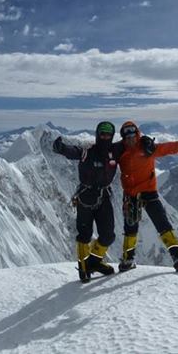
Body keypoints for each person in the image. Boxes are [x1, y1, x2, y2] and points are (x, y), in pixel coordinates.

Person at [116, 121, 178, 272]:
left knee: (162, 223)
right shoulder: (119, 150)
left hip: (147, 191)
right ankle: (128, 259)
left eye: (132, 135)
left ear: (137, 134)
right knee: (131, 227)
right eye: (127, 136)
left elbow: (169, 148)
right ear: (123, 138)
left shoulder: (147, 148)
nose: (130, 138)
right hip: (131, 193)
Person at [52, 121, 124, 283]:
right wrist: (61, 148)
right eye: (102, 134)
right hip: (86, 196)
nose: (105, 137)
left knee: (108, 235)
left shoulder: (115, 150)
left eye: (108, 134)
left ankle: (93, 262)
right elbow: (74, 152)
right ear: (97, 134)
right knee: (84, 234)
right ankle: (84, 267)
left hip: (104, 196)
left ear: (112, 136)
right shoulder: (87, 151)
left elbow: (131, 143)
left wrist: (144, 142)